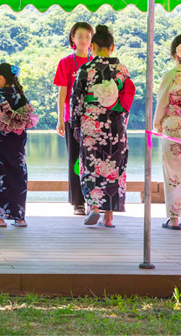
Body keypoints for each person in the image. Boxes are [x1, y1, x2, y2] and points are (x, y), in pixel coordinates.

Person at [70, 25, 136, 228]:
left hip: (92, 125)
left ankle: (94, 208)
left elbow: (77, 101)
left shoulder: (86, 70)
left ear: (93, 47)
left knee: (91, 167)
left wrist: (75, 125)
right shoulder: (122, 70)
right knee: (114, 167)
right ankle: (109, 216)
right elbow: (127, 100)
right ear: (112, 47)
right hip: (115, 126)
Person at [0, 63, 38, 227]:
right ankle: (19, 217)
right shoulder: (21, 98)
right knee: (17, 177)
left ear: (0, 79)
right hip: (17, 144)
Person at [153, 34, 181, 231]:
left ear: (175, 53)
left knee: (173, 174)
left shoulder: (171, 75)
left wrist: (157, 124)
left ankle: (174, 220)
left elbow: (162, 102)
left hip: (174, 130)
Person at [54, 22, 94, 216]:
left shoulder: (96, 62)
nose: (84, 40)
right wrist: (60, 119)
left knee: (94, 160)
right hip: (73, 119)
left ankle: (94, 200)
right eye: (79, 36)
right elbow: (62, 94)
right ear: (72, 39)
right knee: (74, 160)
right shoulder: (66, 62)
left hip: (94, 120)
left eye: (87, 36)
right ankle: (78, 202)